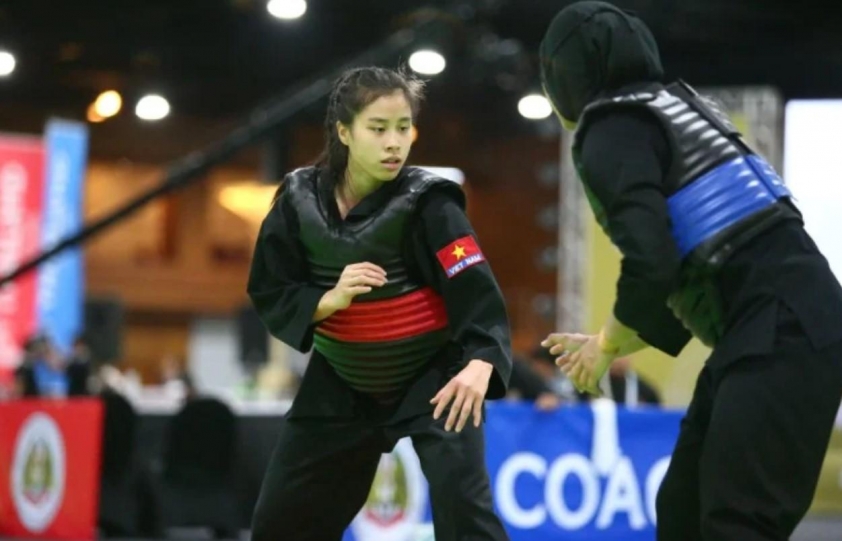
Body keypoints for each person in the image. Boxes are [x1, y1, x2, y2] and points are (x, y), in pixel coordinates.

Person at [537, 2, 842, 540]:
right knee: (684, 508)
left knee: (737, 520)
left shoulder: (610, 127)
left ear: (563, 75)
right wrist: (611, 342)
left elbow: (651, 261)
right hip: (778, 321)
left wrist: (607, 341)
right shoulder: (674, 105)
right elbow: (700, 263)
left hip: (782, 326)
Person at [246, 66, 512, 541]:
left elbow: (476, 291)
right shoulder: (297, 199)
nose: (395, 143)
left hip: (434, 377)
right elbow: (270, 287)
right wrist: (327, 300)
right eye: (378, 128)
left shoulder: (433, 204)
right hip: (341, 382)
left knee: (467, 518)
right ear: (344, 132)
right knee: (280, 525)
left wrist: (482, 360)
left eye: (403, 128)